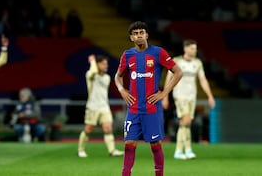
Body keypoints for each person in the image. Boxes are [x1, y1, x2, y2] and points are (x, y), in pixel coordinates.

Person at [114, 21, 182, 176]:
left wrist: (164, 93)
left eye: (141, 32)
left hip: (152, 108)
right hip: (134, 108)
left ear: (147, 35)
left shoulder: (158, 53)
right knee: (129, 143)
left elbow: (178, 72)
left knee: (155, 144)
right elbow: (118, 77)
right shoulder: (127, 55)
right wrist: (122, 90)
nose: (139, 35)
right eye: (135, 33)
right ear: (131, 37)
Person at [162, 39, 215, 160]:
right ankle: (185, 150)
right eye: (192, 48)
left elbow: (203, 80)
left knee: (186, 123)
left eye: (195, 48)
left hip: (192, 97)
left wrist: (210, 95)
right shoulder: (176, 61)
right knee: (185, 121)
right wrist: (165, 96)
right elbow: (168, 79)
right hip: (180, 96)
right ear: (185, 49)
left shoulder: (198, 63)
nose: (194, 51)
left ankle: (182, 151)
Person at [77, 54, 124, 158]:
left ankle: (112, 150)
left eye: (106, 64)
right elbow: (93, 72)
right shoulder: (90, 75)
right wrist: (93, 61)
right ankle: (81, 150)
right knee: (88, 128)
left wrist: (93, 61)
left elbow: (95, 72)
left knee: (108, 128)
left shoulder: (107, 77)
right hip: (92, 107)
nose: (105, 66)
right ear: (97, 64)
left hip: (104, 107)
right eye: (103, 64)